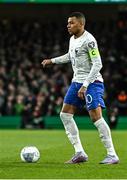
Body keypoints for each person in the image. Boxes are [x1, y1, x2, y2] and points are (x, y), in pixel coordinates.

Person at [41, 12, 119, 164]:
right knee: (65, 115)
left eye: (71, 23)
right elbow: (70, 56)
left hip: (92, 83)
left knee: (96, 118)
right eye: (68, 23)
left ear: (81, 24)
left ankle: (112, 155)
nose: (68, 25)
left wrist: (85, 86)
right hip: (76, 82)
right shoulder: (72, 39)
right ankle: (79, 152)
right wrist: (52, 61)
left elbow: (98, 64)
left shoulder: (89, 41)